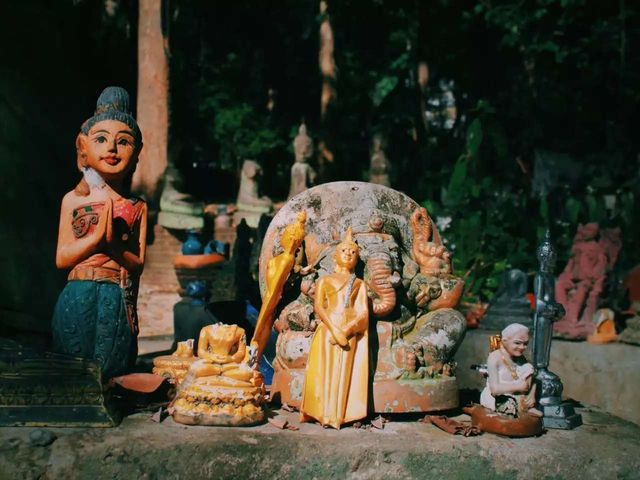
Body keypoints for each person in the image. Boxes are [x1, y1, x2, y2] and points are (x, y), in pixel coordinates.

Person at [52, 86, 147, 380]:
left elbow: (138, 263)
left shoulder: (136, 206)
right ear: (83, 148)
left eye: (124, 142)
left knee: (110, 367)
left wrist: (114, 248)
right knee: (74, 363)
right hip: (79, 291)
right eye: (101, 139)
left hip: (115, 293)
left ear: (137, 153)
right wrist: (96, 240)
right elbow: (62, 259)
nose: (112, 149)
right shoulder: (73, 200)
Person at [300, 228, 369, 429]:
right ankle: (324, 412)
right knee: (326, 370)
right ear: (335, 256)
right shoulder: (325, 280)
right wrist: (334, 328)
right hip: (329, 329)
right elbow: (319, 306)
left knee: (344, 371)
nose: (349, 254)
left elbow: (363, 312)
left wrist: (346, 330)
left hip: (349, 330)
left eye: (353, 252)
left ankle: (339, 414)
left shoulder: (359, 284)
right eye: (345, 251)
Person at [480, 323, 542, 417]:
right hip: (499, 398)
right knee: (508, 406)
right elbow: (495, 389)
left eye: (525, 344)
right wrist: (518, 386)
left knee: (529, 367)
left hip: (518, 394)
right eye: (517, 343)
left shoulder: (520, 358)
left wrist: (532, 394)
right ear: (505, 341)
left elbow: (532, 379)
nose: (522, 347)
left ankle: (526, 407)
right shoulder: (495, 358)